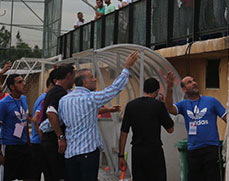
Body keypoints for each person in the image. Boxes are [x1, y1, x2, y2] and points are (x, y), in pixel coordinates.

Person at [58, 51, 139, 181]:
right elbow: (113, 89)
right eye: (91, 77)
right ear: (84, 83)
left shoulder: (64, 100)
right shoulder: (90, 98)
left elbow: (60, 120)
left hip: (70, 154)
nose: (95, 79)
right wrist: (126, 68)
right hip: (88, 153)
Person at [165, 73, 226, 181]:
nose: (194, 83)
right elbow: (170, 108)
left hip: (211, 148)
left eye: (194, 81)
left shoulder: (211, 101)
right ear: (184, 89)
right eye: (189, 82)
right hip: (194, 150)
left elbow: (228, 119)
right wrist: (169, 88)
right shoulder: (183, 104)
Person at [119, 78, 174, 181]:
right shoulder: (158, 106)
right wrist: (164, 108)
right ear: (157, 91)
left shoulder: (131, 106)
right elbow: (170, 129)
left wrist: (121, 155)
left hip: (137, 151)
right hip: (154, 151)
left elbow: (123, 132)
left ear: (143, 89)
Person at [39, 64, 75, 181]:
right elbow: (50, 112)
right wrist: (60, 137)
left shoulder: (52, 91)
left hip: (48, 141)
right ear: (69, 76)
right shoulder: (60, 93)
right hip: (54, 144)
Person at [0, 74, 33, 181]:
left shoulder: (24, 99)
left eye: (23, 81)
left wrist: (29, 144)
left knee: (28, 175)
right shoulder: (3, 104)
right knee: (9, 177)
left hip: (23, 146)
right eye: (19, 82)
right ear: (12, 87)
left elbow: (24, 123)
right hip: (10, 146)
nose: (24, 84)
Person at [31, 72, 57, 181]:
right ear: (52, 84)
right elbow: (35, 120)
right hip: (39, 143)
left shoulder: (44, 97)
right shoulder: (45, 98)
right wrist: (43, 137)